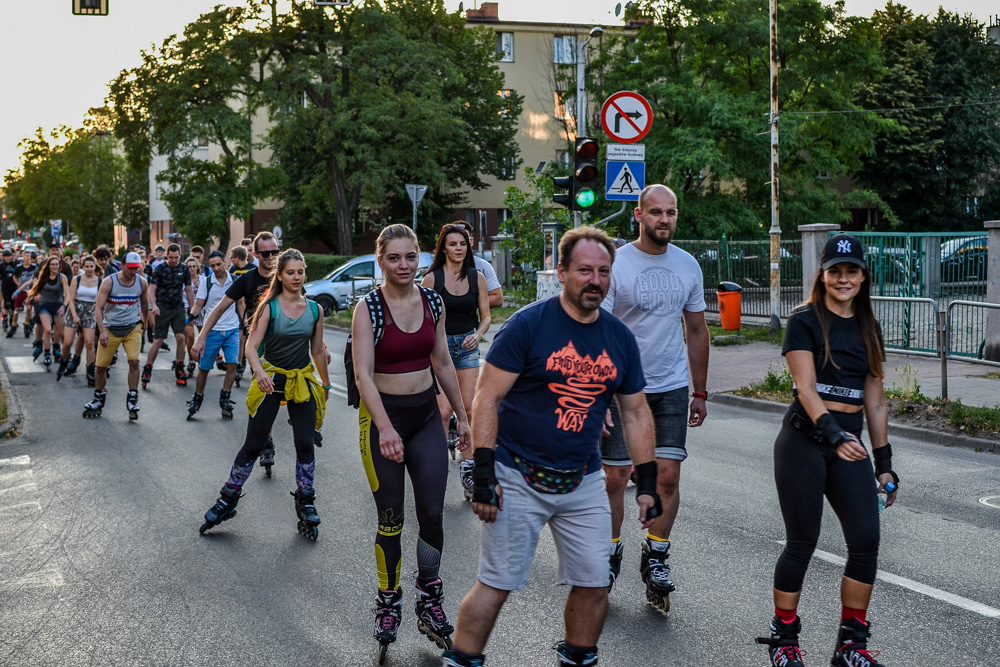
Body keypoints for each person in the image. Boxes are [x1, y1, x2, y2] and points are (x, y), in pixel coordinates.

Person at [444, 226, 660, 667]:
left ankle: (577, 658)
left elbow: (636, 412)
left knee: (595, 582)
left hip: (581, 481)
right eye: (584, 270)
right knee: (496, 583)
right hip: (516, 475)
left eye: (603, 271)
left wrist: (649, 481)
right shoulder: (529, 325)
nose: (594, 280)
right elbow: (487, 397)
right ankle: (462, 660)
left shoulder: (619, 338)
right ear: (561, 272)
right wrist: (483, 473)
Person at [756, 233, 896, 667]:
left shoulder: (869, 326)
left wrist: (885, 464)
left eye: (851, 271)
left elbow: (874, 400)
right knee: (802, 542)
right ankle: (785, 640)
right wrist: (835, 435)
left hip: (848, 444)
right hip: (804, 441)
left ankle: (850, 645)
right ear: (823, 274)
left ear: (862, 276)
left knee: (866, 541)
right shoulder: (805, 321)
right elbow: (806, 388)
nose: (843, 278)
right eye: (835, 271)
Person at [351, 224, 471, 657]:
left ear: (419, 257)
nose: (403, 265)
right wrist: (384, 428)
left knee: (433, 514)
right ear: (380, 261)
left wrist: (462, 415)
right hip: (382, 420)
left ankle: (429, 596)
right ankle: (388, 601)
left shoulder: (433, 300)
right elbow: (363, 374)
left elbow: (441, 360)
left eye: (410, 257)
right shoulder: (369, 308)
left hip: (424, 419)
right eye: (394, 258)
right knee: (391, 519)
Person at [599, 184, 710, 611]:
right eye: (656, 212)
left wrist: (699, 390)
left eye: (671, 212)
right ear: (639, 217)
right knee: (615, 477)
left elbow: (697, 330)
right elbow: (599, 331)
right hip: (621, 389)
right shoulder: (617, 264)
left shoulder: (688, 265)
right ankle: (609, 555)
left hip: (671, 386)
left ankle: (657, 555)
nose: (664, 219)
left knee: (667, 476)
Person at [198, 248, 330, 538]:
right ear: (280, 276)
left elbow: (318, 350)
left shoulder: (315, 310)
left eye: (300, 272)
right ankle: (227, 498)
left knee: (305, 444)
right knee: (254, 445)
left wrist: (327, 384)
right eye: (290, 272)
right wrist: (259, 372)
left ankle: (306, 501)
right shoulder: (269, 308)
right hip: (270, 380)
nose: (296, 277)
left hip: (301, 382)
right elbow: (250, 346)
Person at [193, 231, 279, 461]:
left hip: (287, 343)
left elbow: (306, 310)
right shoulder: (247, 280)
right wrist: (201, 337)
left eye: (275, 252)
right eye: (266, 253)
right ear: (256, 254)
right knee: (266, 395)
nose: (271, 257)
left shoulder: (286, 276)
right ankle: (267, 443)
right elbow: (219, 309)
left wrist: (320, 344)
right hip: (260, 346)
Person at [420, 223, 490, 498]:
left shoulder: (477, 277)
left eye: (462, 244)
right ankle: (435, 468)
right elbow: (423, 320)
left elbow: (485, 316)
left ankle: (468, 468)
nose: (458, 248)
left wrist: (479, 334)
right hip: (440, 351)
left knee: (470, 410)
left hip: (467, 347)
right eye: (453, 244)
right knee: (442, 411)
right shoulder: (431, 280)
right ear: (443, 248)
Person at [83, 252, 150, 420]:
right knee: (100, 367)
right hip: (111, 328)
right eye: (131, 268)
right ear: (122, 266)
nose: (134, 271)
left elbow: (144, 302)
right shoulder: (109, 282)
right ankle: (98, 398)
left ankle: (133, 398)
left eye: (137, 268)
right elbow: (98, 308)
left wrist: (145, 322)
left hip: (132, 327)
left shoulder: (141, 283)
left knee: (134, 361)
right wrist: (102, 331)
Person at [186, 251, 239, 420]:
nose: (216, 268)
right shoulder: (206, 283)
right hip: (212, 331)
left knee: (232, 364)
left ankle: (225, 398)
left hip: (231, 329)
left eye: (218, 264)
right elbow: (199, 304)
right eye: (213, 265)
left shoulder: (235, 281)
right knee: (205, 367)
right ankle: (197, 398)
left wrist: (245, 325)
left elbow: (242, 303)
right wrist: (191, 316)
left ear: (224, 262)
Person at [142, 243, 194, 388]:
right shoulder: (159, 269)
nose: (174, 260)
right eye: (171, 257)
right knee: (158, 341)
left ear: (180, 255)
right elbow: (151, 290)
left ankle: (179, 366)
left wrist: (192, 309)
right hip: (162, 307)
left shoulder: (184, 269)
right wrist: (154, 306)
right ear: (167, 255)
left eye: (176, 257)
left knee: (181, 337)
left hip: (178, 307)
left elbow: (189, 290)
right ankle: (148, 368)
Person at [57, 254, 100, 382]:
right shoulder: (77, 279)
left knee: (90, 342)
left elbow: (100, 300)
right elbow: (71, 298)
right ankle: (63, 361)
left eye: (91, 266)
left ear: (95, 266)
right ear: (83, 267)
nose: (89, 269)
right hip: (75, 309)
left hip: (90, 311)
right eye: (86, 266)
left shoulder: (99, 280)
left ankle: (90, 370)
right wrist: (74, 315)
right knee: (68, 342)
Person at [26, 255, 70, 372]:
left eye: (57, 264)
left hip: (57, 306)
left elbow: (67, 294)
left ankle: (65, 354)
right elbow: (36, 289)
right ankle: (47, 353)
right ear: (48, 266)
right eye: (52, 264)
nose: (55, 266)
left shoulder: (62, 277)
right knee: (47, 329)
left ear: (59, 266)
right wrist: (34, 296)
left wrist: (63, 306)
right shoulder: (43, 277)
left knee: (62, 333)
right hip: (44, 305)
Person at [456, 221, 503, 308]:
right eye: (453, 243)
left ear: (471, 241)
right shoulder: (437, 272)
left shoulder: (483, 266)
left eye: (464, 240)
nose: (459, 247)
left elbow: (497, 298)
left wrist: (467, 303)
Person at [182, 256, 204, 377]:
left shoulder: (203, 279)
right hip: (187, 308)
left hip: (201, 308)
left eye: (194, 266)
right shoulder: (183, 281)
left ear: (197, 267)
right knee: (190, 335)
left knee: (203, 335)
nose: (192, 269)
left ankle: (201, 357)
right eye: (189, 267)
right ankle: (191, 358)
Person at [1, 249, 19, 334]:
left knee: (13, 305)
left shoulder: (15, 264)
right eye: (5, 256)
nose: (7, 258)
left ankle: (12, 319)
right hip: (5, 286)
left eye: (8, 256)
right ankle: (4, 318)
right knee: (6, 303)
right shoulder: (1, 265)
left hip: (14, 287)